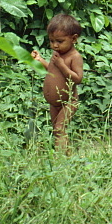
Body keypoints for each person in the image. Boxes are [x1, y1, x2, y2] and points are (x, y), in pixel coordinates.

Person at [31, 14, 84, 153]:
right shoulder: (57, 54)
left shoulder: (74, 57)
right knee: (56, 129)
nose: (55, 45)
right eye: (52, 41)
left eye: (60, 41)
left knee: (60, 128)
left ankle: (60, 159)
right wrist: (40, 60)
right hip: (55, 102)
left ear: (74, 39)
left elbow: (78, 79)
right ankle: (66, 154)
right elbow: (52, 70)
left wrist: (62, 65)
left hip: (68, 101)